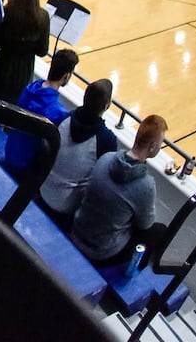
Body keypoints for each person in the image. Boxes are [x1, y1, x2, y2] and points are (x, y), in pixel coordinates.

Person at [72, 114, 171, 269]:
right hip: (103, 252)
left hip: (77, 232)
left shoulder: (106, 158)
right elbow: (145, 226)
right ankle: (134, 271)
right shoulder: (146, 185)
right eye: (160, 143)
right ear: (152, 147)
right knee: (159, 232)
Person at [38, 78, 119, 229]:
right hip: (68, 208)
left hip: (43, 189)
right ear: (107, 106)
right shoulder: (106, 140)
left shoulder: (64, 119)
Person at [2, 47, 80, 174]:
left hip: (10, 151)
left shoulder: (29, 89)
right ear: (66, 76)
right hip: (26, 165)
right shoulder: (58, 112)